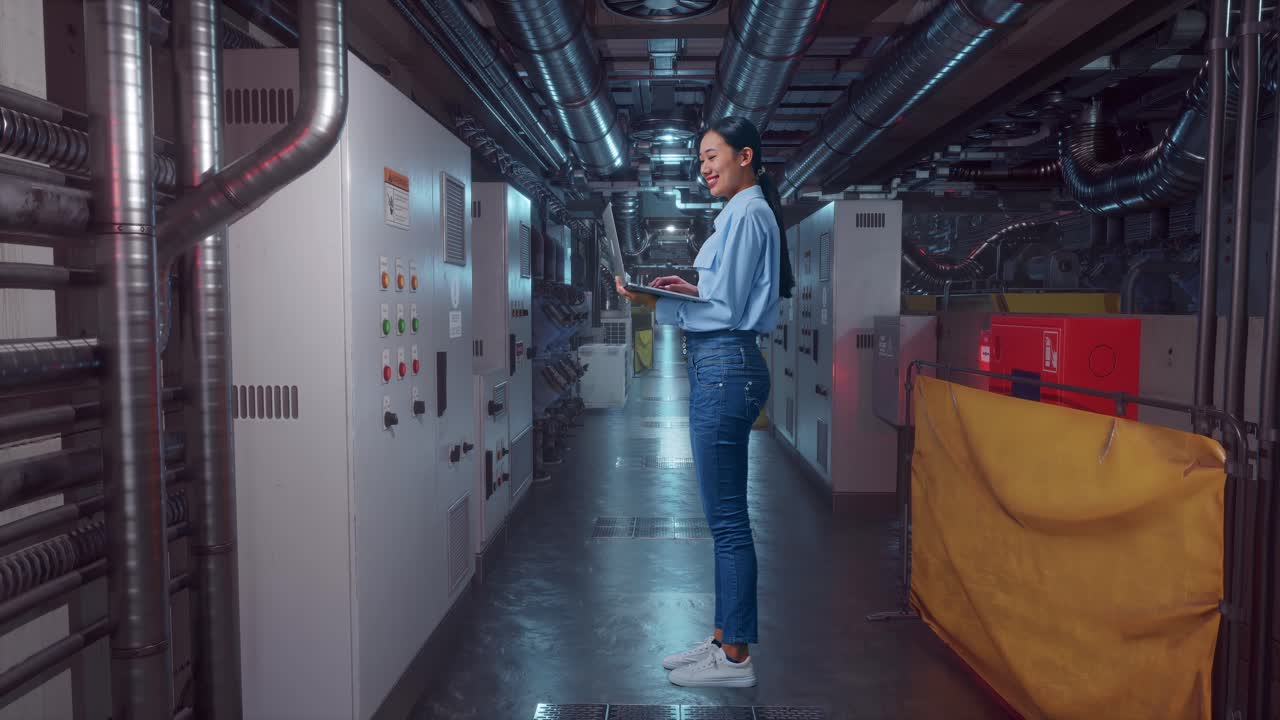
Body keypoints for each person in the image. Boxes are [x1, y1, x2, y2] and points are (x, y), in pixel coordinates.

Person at [615, 116, 795, 688]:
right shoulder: (742, 214)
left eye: (713, 156)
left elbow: (726, 313)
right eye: (700, 160)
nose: (704, 168)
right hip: (724, 366)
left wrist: (654, 302)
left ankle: (736, 657)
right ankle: (723, 638)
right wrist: (686, 289)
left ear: (746, 156)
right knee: (725, 521)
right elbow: (723, 298)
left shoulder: (747, 214)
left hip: (725, 367)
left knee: (729, 523)